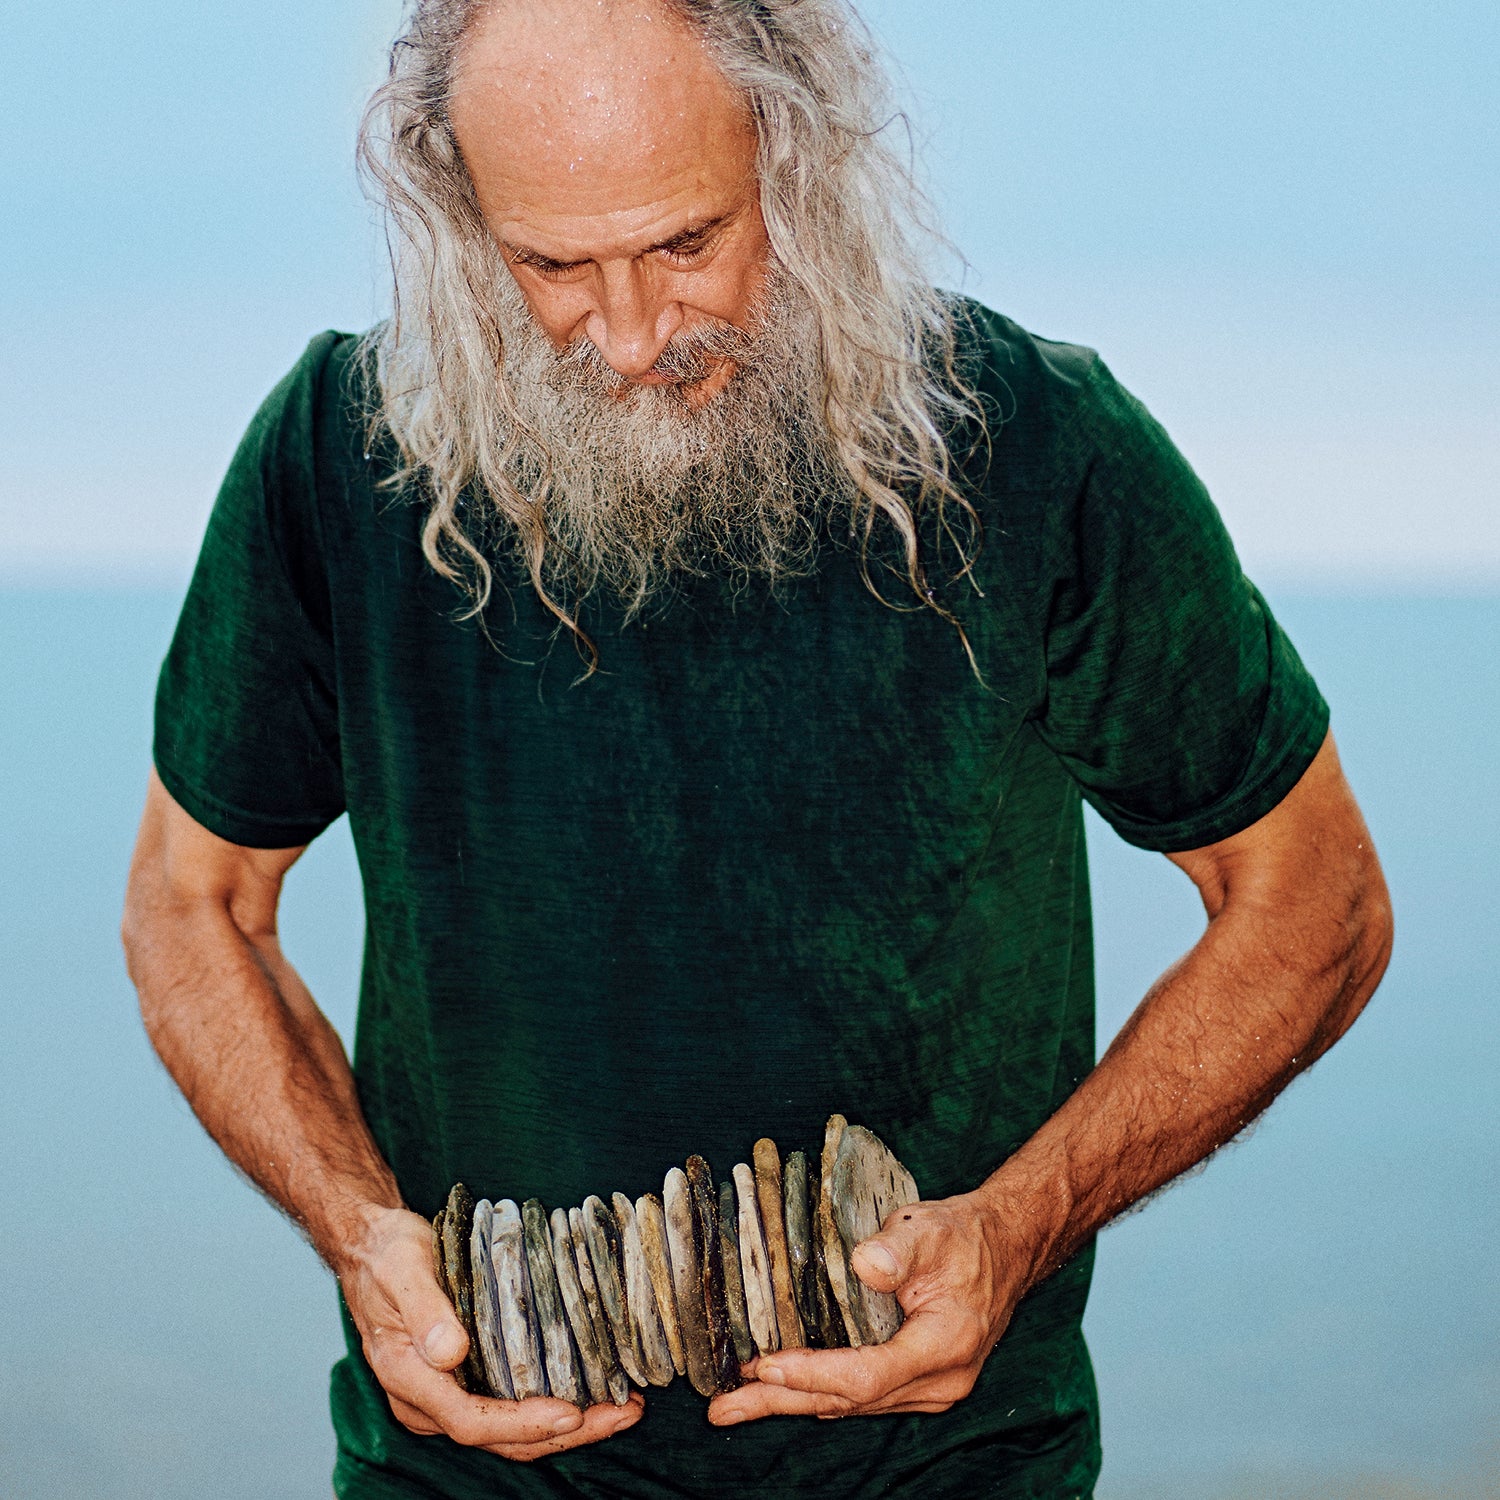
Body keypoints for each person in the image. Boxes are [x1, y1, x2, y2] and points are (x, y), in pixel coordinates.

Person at [121, 1, 1393, 1496]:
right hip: (466, 1472)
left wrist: (1020, 1226)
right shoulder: (333, 458)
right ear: (459, 218)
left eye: (684, 243)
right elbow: (193, 902)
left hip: (943, 1470)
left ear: (797, 153)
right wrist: (354, 1229)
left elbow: (1315, 900)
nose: (633, 335)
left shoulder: (1042, 446)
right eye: (550, 267)